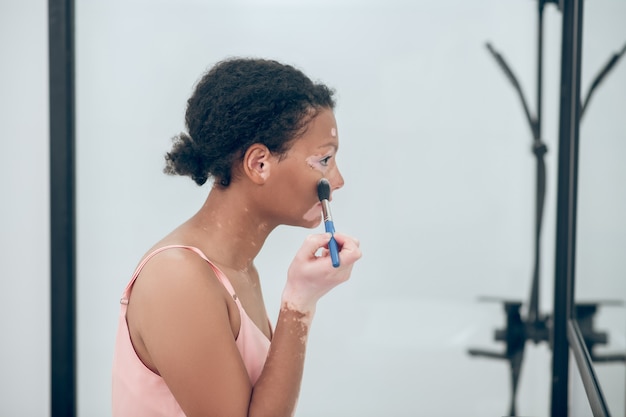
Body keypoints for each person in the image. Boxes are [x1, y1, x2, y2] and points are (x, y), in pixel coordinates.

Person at [111, 57, 362, 417]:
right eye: (324, 160)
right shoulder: (177, 279)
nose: (336, 181)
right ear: (259, 164)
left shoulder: (239, 270)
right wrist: (297, 305)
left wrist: (302, 299)